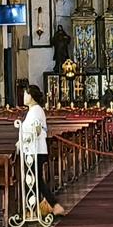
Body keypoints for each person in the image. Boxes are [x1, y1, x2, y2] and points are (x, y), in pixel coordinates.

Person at [16, 84, 66, 217]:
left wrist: (23, 140)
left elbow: (36, 130)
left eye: (26, 94)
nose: (24, 96)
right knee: (33, 180)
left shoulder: (36, 110)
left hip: (35, 151)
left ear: (31, 96)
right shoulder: (32, 110)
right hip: (31, 150)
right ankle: (41, 207)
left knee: (34, 180)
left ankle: (46, 206)